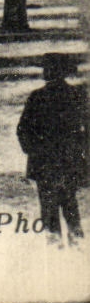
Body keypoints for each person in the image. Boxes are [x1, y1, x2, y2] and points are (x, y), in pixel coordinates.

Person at [17, 54, 88, 243]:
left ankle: (54, 249)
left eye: (47, 68)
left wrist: (34, 151)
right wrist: (83, 156)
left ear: (53, 71)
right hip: (69, 160)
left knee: (49, 210)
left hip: (44, 163)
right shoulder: (77, 95)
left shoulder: (38, 97)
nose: (44, 71)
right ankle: (77, 247)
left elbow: (23, 129)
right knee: (70, 205)